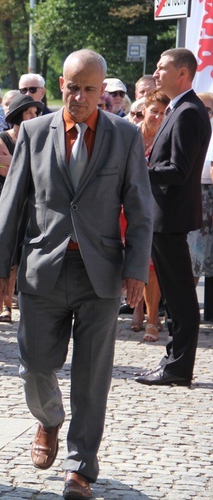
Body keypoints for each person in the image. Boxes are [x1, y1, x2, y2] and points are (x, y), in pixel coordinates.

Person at [0, 49, 152, 500]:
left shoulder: (124, 136)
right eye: (72, 87)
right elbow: (12, 203)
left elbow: (140, 207)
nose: (79, 97)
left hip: (100, 272)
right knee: (35, 365)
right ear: (61, 85)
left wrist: (136, 268)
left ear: (103, 92)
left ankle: (81, 467)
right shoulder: (36, 133)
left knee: (92, 375)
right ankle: (49, 419)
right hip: (43, 268)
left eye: (89, 89)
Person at [136, 48, 213, 387]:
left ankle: (178, 368)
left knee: (180, 296)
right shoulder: (179, 108)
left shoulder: (188, 112)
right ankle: (173, 360)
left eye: (162, 67)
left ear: (182, 73)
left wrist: (139, 170)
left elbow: (178, 171)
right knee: (175, 294)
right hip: (163, 216)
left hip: (171, 216)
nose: (156, 73)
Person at [0, 93, 43, 323]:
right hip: (8, 199)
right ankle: (5, 306)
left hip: (33, 200)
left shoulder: (39, 138)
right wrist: (29, 166)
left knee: (26, 252)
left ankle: (22, 300)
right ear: (18, 115)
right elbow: (5, 170)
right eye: (29, 113)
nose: (34, 116)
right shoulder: (2, 138)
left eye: (35, 113)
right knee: (8, 253)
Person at [128, 90, 169, 342]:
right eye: (154, 110)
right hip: (124, 205)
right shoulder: (129, 135)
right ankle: (136, 306)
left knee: (151, 264)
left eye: (164, 113)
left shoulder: (166, 138)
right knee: (130, 259)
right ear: (144, 110)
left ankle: (152, 320)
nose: (158, 116)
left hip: (154, 205)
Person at [188, 92, 213, 285]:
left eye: (208, 110)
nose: (204, 113)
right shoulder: (186, 124)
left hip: (206, 194)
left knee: (197, 254)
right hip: (188, 191)